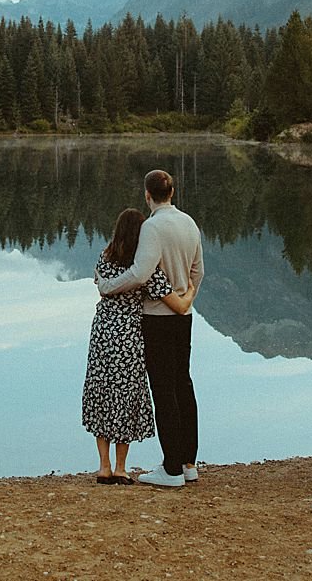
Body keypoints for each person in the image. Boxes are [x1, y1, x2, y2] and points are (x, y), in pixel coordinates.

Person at [95, 169, 203, 487]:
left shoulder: (152, 227)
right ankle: (188, 464)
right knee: (183, 384)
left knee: (163, 389)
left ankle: (170, 470)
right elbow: (198, 271)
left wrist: (108, 286)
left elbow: (141, 274)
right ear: (172, 193)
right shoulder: (189, 223)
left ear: (147, 195)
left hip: (157, 318)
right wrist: (186, 300)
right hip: (184, 318)